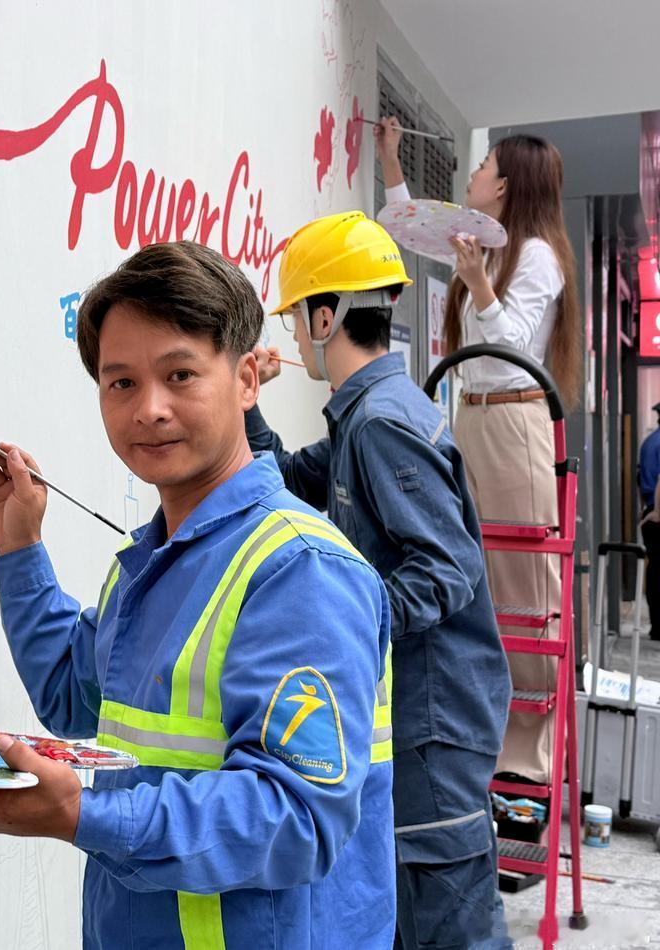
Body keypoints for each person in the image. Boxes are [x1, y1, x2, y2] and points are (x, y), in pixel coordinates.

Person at [0, 240, 395, 948]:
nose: (148, 409)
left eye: (180, 374)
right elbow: (70, 694)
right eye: (120, 383)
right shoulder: (149, 563)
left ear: (246, 380)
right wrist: (20, 549)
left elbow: (296, 819)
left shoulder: (300, 570)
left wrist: (86, 816)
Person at [248, 211, 512, 948]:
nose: (297, 336)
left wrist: (346, 624)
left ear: (326, 316)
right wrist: (246, 406)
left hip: (434, 724)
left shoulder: (380, 424)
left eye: (300, 318)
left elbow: (447, 567)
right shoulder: (366, 416)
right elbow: (293, 481)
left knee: (446, 925)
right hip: (421, 720)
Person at [376, 117, 581, 785]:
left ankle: (528, 766)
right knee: (474, 574)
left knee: (524, 589)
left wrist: (480, 282)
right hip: (472, 417)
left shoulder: (538, 256)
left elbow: (515, 346)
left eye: (485, 165)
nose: (474, 174)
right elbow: (405, 225)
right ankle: (485, 745)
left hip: (516, 423)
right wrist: (390, 159)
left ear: (509, 184)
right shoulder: (482, 248)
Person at [639, 401, 660, 639]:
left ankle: (656, 625)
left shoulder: (649, 442)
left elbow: (639, 476)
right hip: (658, 512)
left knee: (654, 569)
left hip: (649, 510)